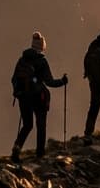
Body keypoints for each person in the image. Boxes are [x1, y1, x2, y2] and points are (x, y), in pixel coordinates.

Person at [10, 32, 67, 161]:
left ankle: (16, 150)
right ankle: (40, 153)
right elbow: (49, 82)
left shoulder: (22, 60)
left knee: (27, 125)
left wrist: (18, 92)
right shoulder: (42, 61)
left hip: (23, 97)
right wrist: (62, 81)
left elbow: (14, 78)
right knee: (41, 125)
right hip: (38, 97)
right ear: (42, 46)